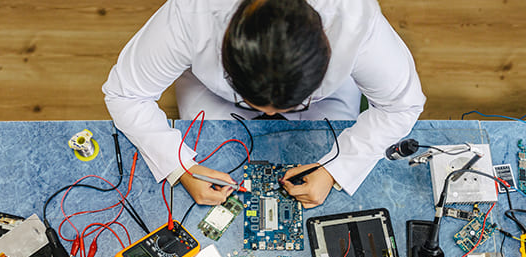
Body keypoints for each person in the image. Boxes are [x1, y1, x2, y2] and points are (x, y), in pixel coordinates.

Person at [103, 0, 425, 208]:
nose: (270, 115)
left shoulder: (355, 19)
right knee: (209, 152)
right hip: (212, 94)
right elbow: (125, 93)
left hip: (326, 102)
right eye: (254, 100)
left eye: (286, 105)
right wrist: (178, 164)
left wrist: (337, 168)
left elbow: (402, 105)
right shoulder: (192, 13)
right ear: (225, 56)